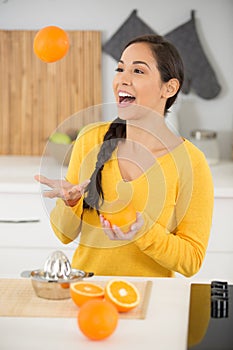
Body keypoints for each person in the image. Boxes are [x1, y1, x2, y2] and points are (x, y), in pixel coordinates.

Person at [35, 34, 214, 278]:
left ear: (169, 87)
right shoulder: (90, 140)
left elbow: (192, 261)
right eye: (120, 69)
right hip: (88, 293)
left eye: (138, 71)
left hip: (152, 302)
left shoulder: (192, 163)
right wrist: (70, 203)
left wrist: (143, 233)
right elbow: (64, 234)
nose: (123, 79)